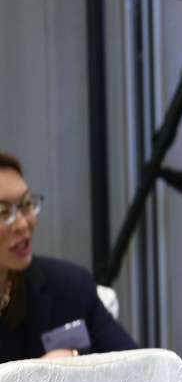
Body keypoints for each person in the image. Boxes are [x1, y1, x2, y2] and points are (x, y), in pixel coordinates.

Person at [0, 151, 137, 362]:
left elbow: (137, 367)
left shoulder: (69, 286)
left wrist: (73, 360)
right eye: (3, 213)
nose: (23, 224)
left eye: (26, 205)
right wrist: (32, 378)